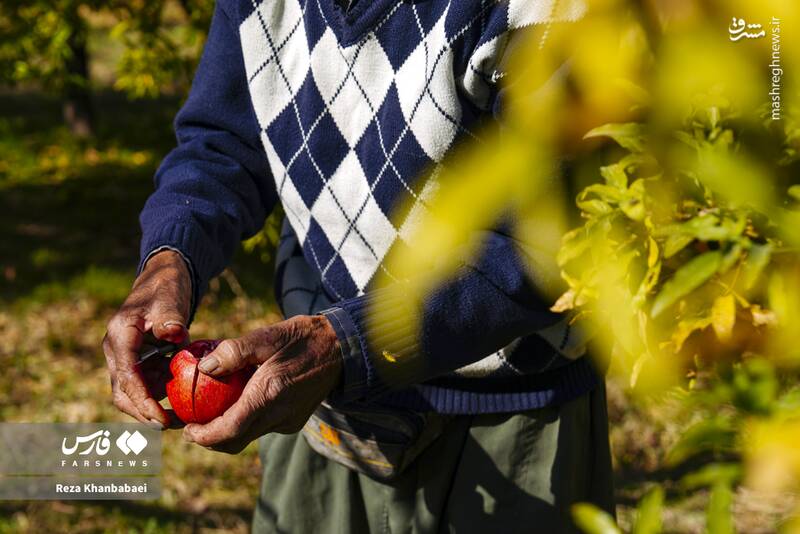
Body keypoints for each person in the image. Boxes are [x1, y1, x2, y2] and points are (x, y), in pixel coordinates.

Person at [102, 0, 615, 531]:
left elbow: (555, 239)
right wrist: (170, 260)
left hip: (509, 415)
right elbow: (224, 142)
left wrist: (349, 343)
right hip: (317, 397)